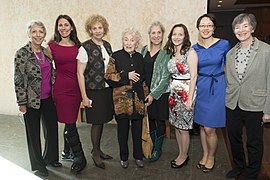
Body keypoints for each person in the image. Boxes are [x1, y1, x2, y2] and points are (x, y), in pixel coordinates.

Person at [14, 20, 61, 177]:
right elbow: (19, 79)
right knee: (33, 133)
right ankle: (39, 164)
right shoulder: (22, 53)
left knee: (52, 129)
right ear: (29, 33)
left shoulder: (46, 52)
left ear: (45, 34)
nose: (37, 35)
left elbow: (51, 73)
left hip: (48, 98)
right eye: (34, 31)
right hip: (31, 100)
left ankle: (51, 158)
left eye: (40, 32)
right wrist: (21, 102)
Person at [225, 13, 270, 179]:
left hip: (256, 103)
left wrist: (268, 109)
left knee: (254, 142)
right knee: (234, 138)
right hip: (232, 102)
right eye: (237, 27)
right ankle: (238, 166)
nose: (241, 30)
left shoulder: (266, 51)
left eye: (245, 26)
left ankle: (252, 172)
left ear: (252, 28)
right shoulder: (230, 54)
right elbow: (230, 79)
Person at [47, 15, 86, 174]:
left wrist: (84, 95)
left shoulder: (79, 47)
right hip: (60, 89)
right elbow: (46, 68)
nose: (63, 28)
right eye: (60, 25)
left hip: (74, 90)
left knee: (70, 121)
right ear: (57, 28)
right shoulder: (51, 46)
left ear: (71, 27)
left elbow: (81, 72)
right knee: (68, 121)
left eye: (66, 25)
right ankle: (77, 156)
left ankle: (72, 154)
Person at [192, 14, 230, 172]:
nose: (205, 28)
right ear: (198, 28)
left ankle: (212, 156)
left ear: (214, 27)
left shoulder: (224, 44)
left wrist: (230, 88)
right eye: (202, 25)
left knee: (210, 128)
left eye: (209, 25)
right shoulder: (194, 48)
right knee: (202, 126)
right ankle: (205, 154)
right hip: (201, 87)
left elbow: (229, 67)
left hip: (217, 87)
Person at [105, 28, 145, 169]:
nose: (129, 43)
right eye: (126, 40)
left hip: (138, 101)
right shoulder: (115, 56)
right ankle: (124, 157)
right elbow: (108, 76)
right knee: (122, 132)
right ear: (122, 41)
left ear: (137, 42)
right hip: (121, 102)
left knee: (137, 131)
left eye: (132, 40)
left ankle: (138, 156)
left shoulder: (140, 57)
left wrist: (146, 96)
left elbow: (144, 79)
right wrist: (125, 76)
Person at [77, 14, 113, 169]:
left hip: (106, 90)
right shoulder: (85, 48)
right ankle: (95, 154)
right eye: (94, 28)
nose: (98, 31)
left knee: (102, 120)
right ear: (90, 30)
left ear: (104, 29)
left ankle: (98, 149)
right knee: (96, 122)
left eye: (100, 27)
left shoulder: (107, 45)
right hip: (93, 91)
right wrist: (84, 97)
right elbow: (79, 73)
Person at [164, 24, 198, 168]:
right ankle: (180, 152)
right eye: (174, 34)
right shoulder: (171, 53)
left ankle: (184, 155)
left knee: (183, 127)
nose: (177, 37)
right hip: (174, 94)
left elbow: (194, 76)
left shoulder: (190, 53)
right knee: (176, 126)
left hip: (186, 95)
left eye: (180, 34)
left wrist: (190, 99)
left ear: (185, 37)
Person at [141, 21, 170, 162]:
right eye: (153, 32)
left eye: (159, 32)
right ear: (149, 34)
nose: (156, 35)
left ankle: (158, 149)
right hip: (146, 93)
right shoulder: (144, 50)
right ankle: (151, 145)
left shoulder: (166, 52)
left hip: (160, 94)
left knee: (159, 121)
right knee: (149, 119)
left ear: (163, 34)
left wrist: (153, 94)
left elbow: (166, 77)